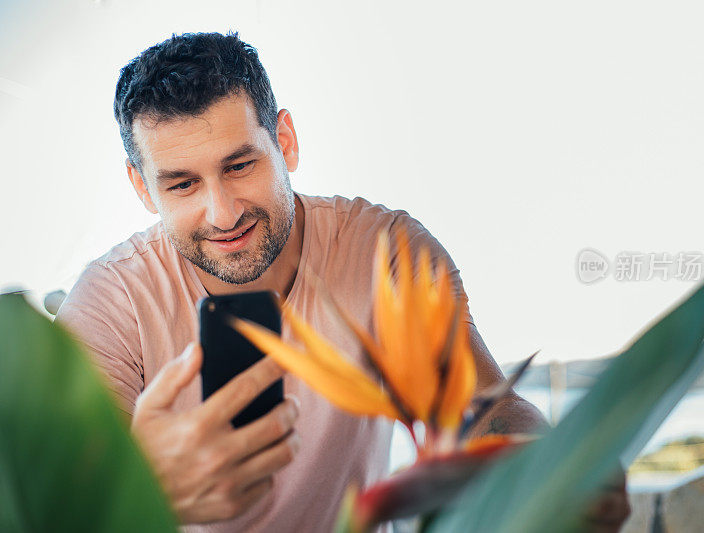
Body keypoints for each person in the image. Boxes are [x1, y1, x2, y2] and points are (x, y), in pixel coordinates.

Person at [55, 32, 629, 532]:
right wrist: (144, 491)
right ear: (141, 187)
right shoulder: (111, 303)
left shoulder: (385, 252)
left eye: (240, 165)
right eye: (181, 185)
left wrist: (557, 466)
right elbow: (60, 504)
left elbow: (482, 409)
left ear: (285, 142)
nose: (222, 213)